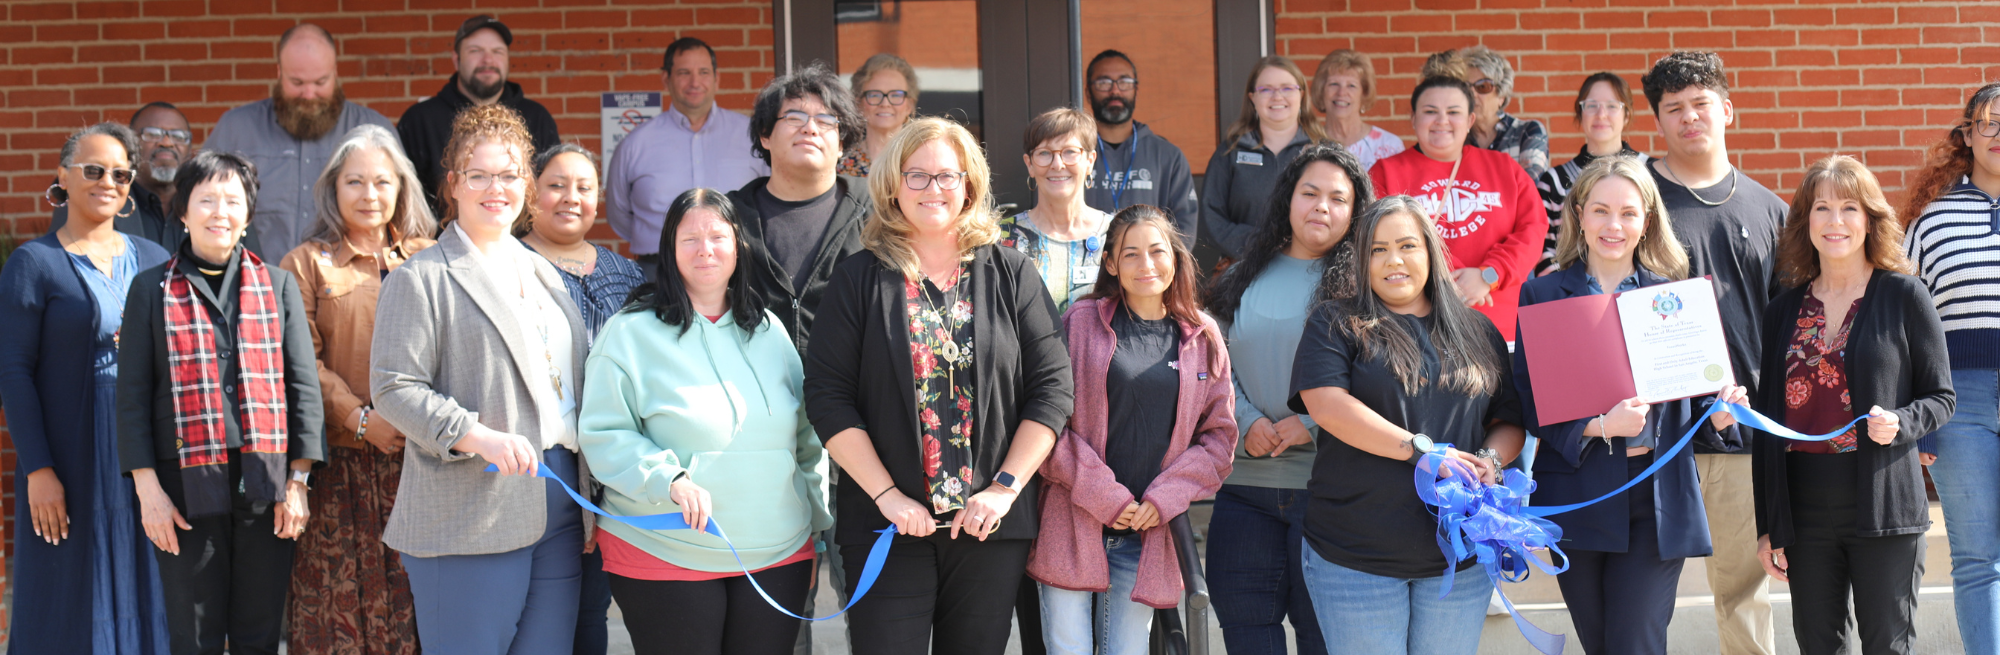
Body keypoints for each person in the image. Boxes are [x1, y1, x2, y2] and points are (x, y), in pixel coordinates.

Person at [803, 117, 1074, 655]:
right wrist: (886, 496)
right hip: (888, 525)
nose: (933, 189)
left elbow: (1053, 389)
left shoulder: (1012, 273)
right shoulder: (858, 279)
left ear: (969, 185)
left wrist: (1004, 489)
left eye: (947, 176)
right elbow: (828, 397)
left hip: (988, 529)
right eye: (918, 176)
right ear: (893, 186)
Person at [369, 104, 589, 655]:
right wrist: (476, 435)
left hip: (559, 501)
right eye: (480, 175)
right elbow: (394, 387)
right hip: (471, 506)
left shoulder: (543, 271)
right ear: (453, 184)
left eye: (511, 174)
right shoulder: (421, 278)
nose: (498, 188)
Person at [578, 188, 831, 655]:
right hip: (664, 550)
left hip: (777, 552)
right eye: (689, 238)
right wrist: (666, 478)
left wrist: (814, 531)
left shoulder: (769, 330)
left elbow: (806, 438)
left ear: (739, 245)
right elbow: (604, 432)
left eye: (717, 235)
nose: (705, 248)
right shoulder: (630, 332)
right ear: (670, 250)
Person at [1512, 157, 1745, 655]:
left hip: (1656, 502)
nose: (1613, 225)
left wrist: (1723, 415)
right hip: (1578, 497)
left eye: (1627, 213)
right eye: (1600, 211)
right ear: (1578, 214)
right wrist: (1599, 426)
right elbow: (1530, 402)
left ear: (1647, 220)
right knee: (1601, 646)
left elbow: (1699, 405)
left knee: (1634, 644)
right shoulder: (1543, 294)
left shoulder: (1675, 299)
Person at [1290, 196, 1524, 655]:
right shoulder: (1335, 323)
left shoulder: (1479, 330)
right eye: (1377, 250)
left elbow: (1509, 419)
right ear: (1362, 260)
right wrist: (1420, 450)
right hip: (1356, 556)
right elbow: (1326, 406)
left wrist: (1490, 461)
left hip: (1459, 560)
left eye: (1406, 245)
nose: (1393, 260)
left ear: (1431, 252)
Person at [118, 150, 326, 655]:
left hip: (266, 483)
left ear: (248, 215)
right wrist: (148, 491)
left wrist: (298, 481)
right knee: (194, 635)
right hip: (182, 486)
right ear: (183, 213)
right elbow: (131, 398)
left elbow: (302, 386)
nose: (219, 212)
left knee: (259, 632)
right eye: (205, 199)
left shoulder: (277, 285)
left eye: (232, 200)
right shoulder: (150, 289)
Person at [1751, 155, 1954, 655]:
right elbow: (1767, 424)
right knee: (1819, 645)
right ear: (1806, 221)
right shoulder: (1782, 309)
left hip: (1883, 497)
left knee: (1887, 645)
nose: (1835, 221)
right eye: (1822, 208)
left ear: (1869, 219)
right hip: (1803, 506)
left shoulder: (1905, 295)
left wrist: (1903, 422)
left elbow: (1942, 396)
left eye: (1849, 207)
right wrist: (1768, 524)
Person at [1029, 205, 1237, 655]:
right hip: (1074, 521)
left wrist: (1165, 498)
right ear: (1110, 263)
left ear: (1176, 257)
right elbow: (1046, 424)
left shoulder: (1202, 335)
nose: (1147, 265)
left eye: (1158, 251)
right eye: (1131, 254)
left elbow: (1218, 440)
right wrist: (1107, 496)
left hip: (1146, 531)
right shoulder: (1081, 323)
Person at [0, 123, 173, 654]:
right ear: (63, 178)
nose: (108, 182)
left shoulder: (153, 259)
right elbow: (13, 372)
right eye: (93, 170)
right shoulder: (34, 263)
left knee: (153, 580)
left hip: (145, 452)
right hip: (73, 455)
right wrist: (39, 470)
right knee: (70, 590)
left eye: (121, 174)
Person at [1641, 51, 1789, 655]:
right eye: (1672, 108)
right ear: (1657, 120)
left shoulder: (1771, 209)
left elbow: (1788, 329)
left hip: (1740, 435)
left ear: (1726, 109)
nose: (1688, 117)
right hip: (1650, 436)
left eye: (1700, 103)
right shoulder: (1633, 200)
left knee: (1744, 599)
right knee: (1639, 603)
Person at [1199, 142, 1370, 655]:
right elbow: (1212, 362)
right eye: (1310, 192)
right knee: (1247, 636)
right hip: (1244, 487)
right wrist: (1246, 418)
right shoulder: (1240, 275)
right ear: (1287, 199)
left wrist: (1315, 422)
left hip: (1331, 489)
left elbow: (1379, 372)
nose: (1322, 206)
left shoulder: (1367, 286)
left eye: (1338, 198)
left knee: (1324, 641)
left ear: (1356, 211)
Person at [276, 123, 436, 655]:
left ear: (402, 189)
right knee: (336, 613)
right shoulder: (303, 263)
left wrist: (412, 421)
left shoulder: (431, 257)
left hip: (419, 465)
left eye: (382, 182)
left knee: (418, 606)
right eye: (355, 182)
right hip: (337, 465)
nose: (370, 195)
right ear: (333, 189)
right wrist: (361, 419)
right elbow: (301, 362)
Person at [515, 142, 640, 655]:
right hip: (540, 466)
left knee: (591, 610)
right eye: (556, 185)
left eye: (584, 188)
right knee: (536, 613)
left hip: (607, 464)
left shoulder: (626, 274)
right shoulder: (508, 265)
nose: (571, 197)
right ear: (532, 193)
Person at [1901, 81, 2000, 654]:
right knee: (1977, 555)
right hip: (1959, 403)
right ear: (1966, 135)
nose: (1999, 135)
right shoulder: (1931, 221)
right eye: (1988, 123)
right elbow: (1911, 326)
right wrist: (1920, 416)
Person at [1367, 75, 1545, 338]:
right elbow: (1378, 243)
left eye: (1454, 112)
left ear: (1470, 120)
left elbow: (1533, 229)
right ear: (1414, 119)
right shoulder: (1385, 173)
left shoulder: (1504, 167)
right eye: (1430, 112)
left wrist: (1488, 274)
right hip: (1422, 328)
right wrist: (1445, 278)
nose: (1442, 121)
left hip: (1501, 325)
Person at [204, 24, 394, 259]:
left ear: (335, 72)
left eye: (320, 82)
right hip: (253, 286)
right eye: (297, 83)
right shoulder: (235, 128)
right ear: (279, 73)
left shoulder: (374, 130)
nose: (309, 93)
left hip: (346, 289)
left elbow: (403, 215)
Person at [730, 61, 871, 353]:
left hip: (848, 393)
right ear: (765, 135)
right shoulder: (728, 219)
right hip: (754, 391)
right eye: (794, 118)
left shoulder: (876, 212)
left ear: (842, 143)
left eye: (825, 120)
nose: (810, 129)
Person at [605, 37, 767, 276]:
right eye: (684, 73)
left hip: (739, 271)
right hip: (657, 271)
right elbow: (618, 214)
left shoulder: (751, 137)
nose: (695, 82)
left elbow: (769, 197)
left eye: (703, 72)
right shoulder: (634, 144)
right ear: (666, 78)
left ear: (716, 78)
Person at [398, 14, 562, 217]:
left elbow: (550, 192)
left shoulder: (536, 118)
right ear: (456, 59)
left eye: (497, 51)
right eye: (475, 51)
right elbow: (406, 200)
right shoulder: (419, 121)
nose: (488, 60)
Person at [1203, 56, 1327, 261]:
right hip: (1243, 266)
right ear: (1252, 97)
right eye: (1266, 89)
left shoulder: (1324, 152)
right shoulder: (1230, 152)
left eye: (1287, 88)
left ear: (1301, 95)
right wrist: (1257, 244)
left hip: (1311, 266)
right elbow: (1212, 215)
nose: (1277, 96)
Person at [999, 107, 1112, 313]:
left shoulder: (1116, 234)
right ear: (1030, 164)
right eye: (1044, 153)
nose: (1057, 164)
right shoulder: (1001, 237)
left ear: (1090, 161)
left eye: (1070, 152)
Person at [1535, 73, 1648, 276]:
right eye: (1591, 105)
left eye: (1613, 106)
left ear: (1627, 115)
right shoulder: (1553, 181)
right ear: (1581, 113)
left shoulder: (1652, 172)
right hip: (1572, 300)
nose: (1601, 114)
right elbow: (1543, 252)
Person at [1082, 49, 1199, 245]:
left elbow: (1183, 231)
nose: (1115, 91)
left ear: (1136, 89)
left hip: (1148, 271)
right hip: (1084, 266)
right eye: (1104, 83)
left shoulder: (1168, 156)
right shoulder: (1072, 153)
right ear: (1088, 91)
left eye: (1125, 82)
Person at [50, 103, 196, 250]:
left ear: (190, 149)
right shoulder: (99, 194)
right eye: (152, 134)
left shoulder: (201, 202)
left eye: (179, 136)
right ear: (131, 144)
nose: (167, 142)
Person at [1454, 46, 1549, 181]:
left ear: (1501, 96)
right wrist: (1510, 176)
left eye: (1483, 86)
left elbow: (1530, 187)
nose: (1472, 94)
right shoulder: (1453, 137)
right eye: (1465, 86)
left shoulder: (1528, 131)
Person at [1313, 50, 1403, 172]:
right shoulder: (1308, 146)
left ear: (1364, 94)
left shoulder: (1389, 146)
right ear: (1321, 91)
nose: (1341, 93)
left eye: (1351, 85)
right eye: (1333, 84)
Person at [842, 53, 920, 177]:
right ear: (858, 104)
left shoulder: (921, 161)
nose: (885, 103)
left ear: (909, 106)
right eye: (874, 95)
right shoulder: (841, 164)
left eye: (895, 95)